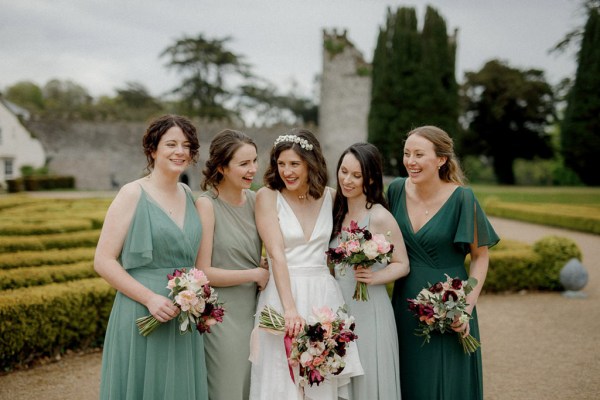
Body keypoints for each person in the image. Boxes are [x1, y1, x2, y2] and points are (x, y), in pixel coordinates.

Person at [94, 114, 208, 399]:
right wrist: (149, 298)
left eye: (186, 145)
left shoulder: (187, 192)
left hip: (183, 316)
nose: (180, 151)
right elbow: (103, 260)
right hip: (141, 312)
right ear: (153, 149)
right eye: (171, 144)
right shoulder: (132, 193)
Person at [387, 125, 499, 400]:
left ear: (441, 159)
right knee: (408, 379)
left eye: (419, 154)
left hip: (450, 305)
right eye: (406, 154)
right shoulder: (396, 191)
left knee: (446, 381)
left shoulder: (463, 198)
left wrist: (465, 307)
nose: (410, 162)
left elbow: (481, 257)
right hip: (403, 304)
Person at [249, 128, 363, 400]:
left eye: (294, 164)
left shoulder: (332, 197)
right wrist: (289, 308)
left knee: (320, 374)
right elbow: (276, 253)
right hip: (282, 293)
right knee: (280, 377)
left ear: (310, 164)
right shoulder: (268, 196)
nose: (287, 171)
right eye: (281, 164)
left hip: (324, 295)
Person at [329, 142, 409, 400]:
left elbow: (402, 264)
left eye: (356, 175)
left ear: (371, 178)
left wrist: (375, 277)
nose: (347, 180)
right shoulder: (336, 212)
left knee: (368, 378)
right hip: (339, 308)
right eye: (343, 171)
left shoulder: (379, 216)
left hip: (370, 309)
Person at [195, 129, 270, 400]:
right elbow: (203, 271)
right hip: (222, 316)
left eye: (254, 161)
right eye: (244, 164)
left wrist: (264, 264)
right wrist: (254, 273)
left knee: (253, 388)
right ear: (222, 167)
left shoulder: (256, 199)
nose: (253, 169)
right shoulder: (207, 205)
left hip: (256, 310)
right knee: (226, 389)